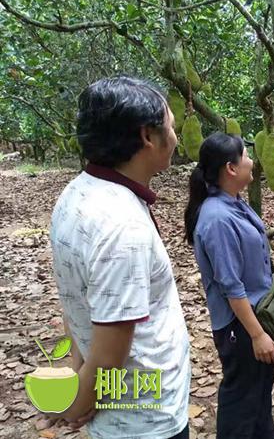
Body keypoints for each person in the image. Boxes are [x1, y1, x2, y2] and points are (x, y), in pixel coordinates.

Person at [49, 76, 191, 439]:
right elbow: (110, 354)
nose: (175, 138)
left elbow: (74, 298)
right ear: (148, 136)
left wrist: (78, 373)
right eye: (172, 127)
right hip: (145, 421)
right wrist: (76, 404)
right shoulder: (121, 227)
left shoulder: (76, 195)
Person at [184, 132, 274, 439]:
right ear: (231, 168)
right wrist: (258, 334)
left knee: (260, 394)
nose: (252, 160)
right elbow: (231, 287)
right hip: (242, 327)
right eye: (246, 155)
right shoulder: (217, 219)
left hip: (256, 317)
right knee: (241, 401)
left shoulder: (234, 203)